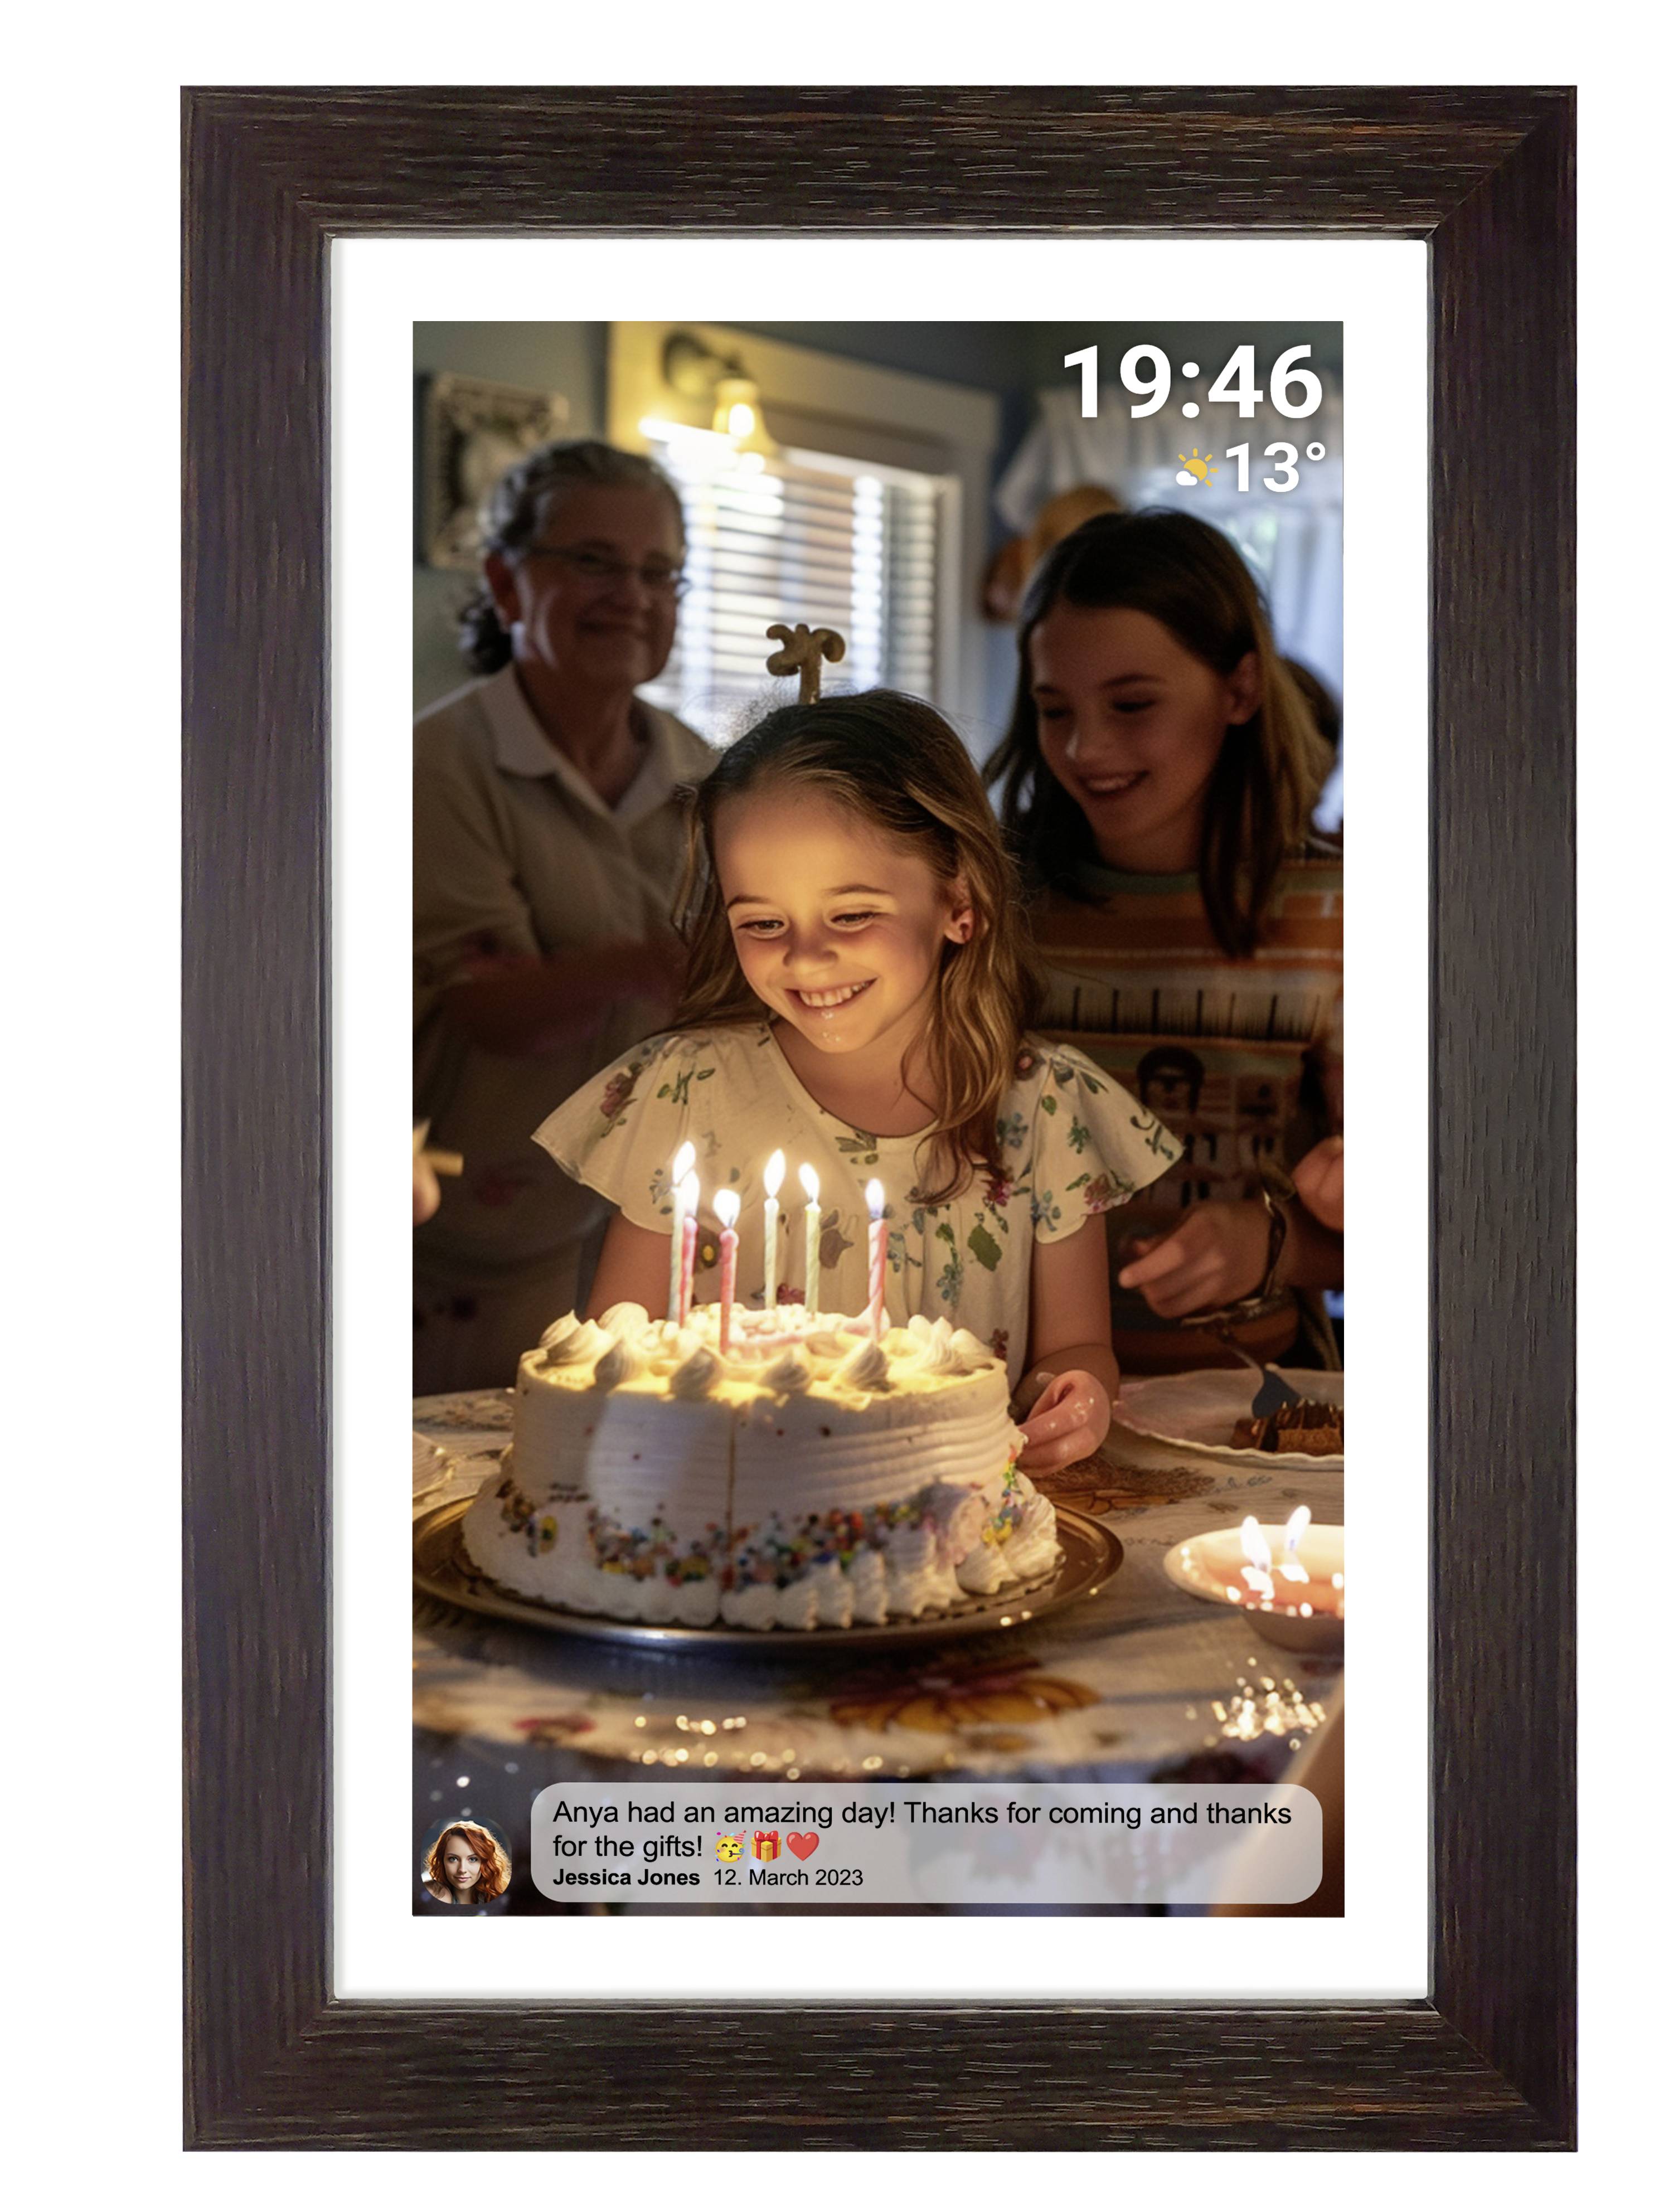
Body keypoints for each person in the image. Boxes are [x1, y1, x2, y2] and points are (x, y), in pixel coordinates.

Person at [536, 692, 1181, 1476]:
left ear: (960, 902)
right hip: (722, 1507)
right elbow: (618, 1342)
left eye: (850, 915)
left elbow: (1076, 1346)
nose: (806, 959)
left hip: (951, 1525)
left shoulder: (1045, 1111)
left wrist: (1073, 1397)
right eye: (764, 923)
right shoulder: (685, 1095)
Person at [986, 509, 1342, 1376]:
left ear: (1241, 690)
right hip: (1006, 1408)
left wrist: (1272, 1244)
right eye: (1053, 709)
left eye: (1133, 704)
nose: (1085, 747)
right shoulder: (989, 903)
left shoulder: (1340, 915)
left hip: (1245, 1413)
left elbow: (1447, 1236)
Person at [414, 440, 717, 1393]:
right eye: (592, 562)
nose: (630, 593)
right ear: (506, 581)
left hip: (662, 1229)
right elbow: (491, 1009)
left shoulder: (706, 772)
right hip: (467, 1247)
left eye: (657, 571)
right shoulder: (441, 763)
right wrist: (655, 964)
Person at [420, 1820, 511, 1907]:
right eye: (453, 1859)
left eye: (472, 1859)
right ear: (442, 1861)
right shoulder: (433, 1893)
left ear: (485, 1862)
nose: (462, 1870)